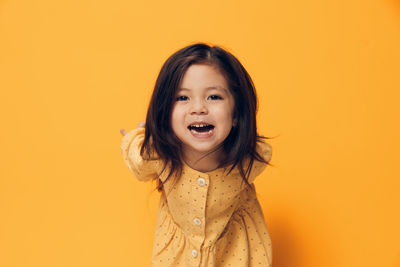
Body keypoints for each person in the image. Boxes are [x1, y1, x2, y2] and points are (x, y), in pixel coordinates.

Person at [120, 42, 273, 267]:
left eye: (214, 97)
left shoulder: (248, 160)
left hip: (235, 255)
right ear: (164, 113)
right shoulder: (157, 155)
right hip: (177, 259)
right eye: (182, 98)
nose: (198, 108)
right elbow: (137, 159)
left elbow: (261, 150)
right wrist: (139, 136)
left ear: (236, 114)